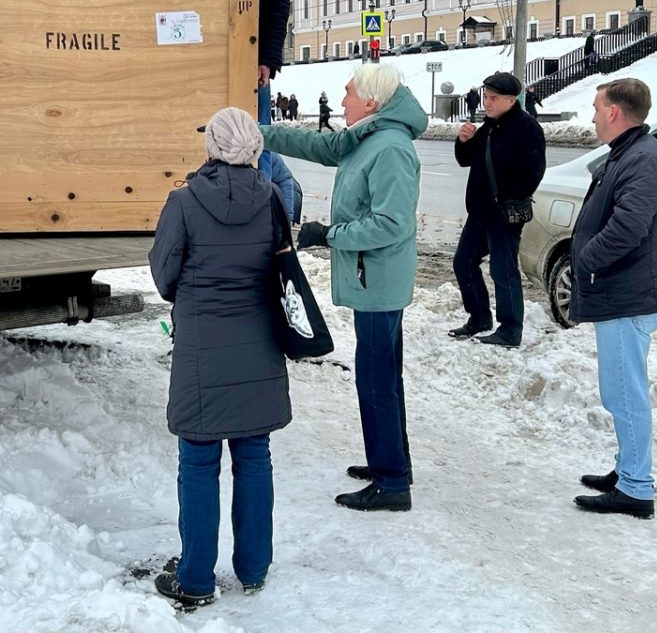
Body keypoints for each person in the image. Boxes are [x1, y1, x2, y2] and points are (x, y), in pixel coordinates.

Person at [262, 64, 425, 511]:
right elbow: (317, 144)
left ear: (371, 101)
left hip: (378, 282)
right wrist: (262, 133)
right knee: (382, 377)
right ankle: (391, 464)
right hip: (372, 280)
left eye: (349, 92)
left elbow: (392, 223)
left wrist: (330, 235)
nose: (342, 99)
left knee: (376, 381)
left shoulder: (389, 147)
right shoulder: (367, 136)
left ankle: (392, 482)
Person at [148, 107, 292, 607]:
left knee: (198, 460)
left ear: (211, 147)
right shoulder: (272, 197)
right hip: (260, 344)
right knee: (254, 456)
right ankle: (254, 568)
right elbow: (281, 267)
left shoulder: (183, 202)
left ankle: (194, 580)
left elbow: (164, 278)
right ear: (254, 148)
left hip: (202, 350)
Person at [571, 79, 657, 520]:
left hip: (625, 294)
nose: (592, 115)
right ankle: (627, 469)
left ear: (614, 112)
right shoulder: (630, 153)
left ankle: (635, 487)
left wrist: (586, 259)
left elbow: (629, 227)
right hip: (620, 290)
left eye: (596, 107)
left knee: (625, 394)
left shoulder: (643, 159)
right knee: (619, 390)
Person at [448, 71, 546, 347]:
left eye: (492, 98)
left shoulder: (528, 128)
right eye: (485, 97)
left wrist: (511, 198)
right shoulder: (489, 125)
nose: (486, 103)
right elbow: (466, 160)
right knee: (463, 262)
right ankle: (479, 317)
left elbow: (534, 171)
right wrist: (464, 141)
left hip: (504, 214)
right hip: (479, 212)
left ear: (511, 100)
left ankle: (510, 329)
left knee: (503, 271)